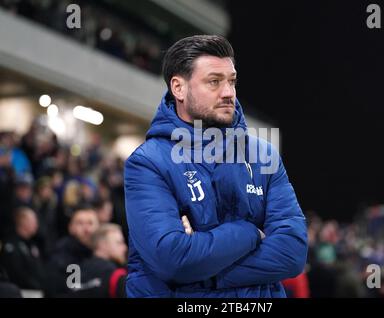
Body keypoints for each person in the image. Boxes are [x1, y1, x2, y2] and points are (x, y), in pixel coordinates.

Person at [124, 35, 308, 298]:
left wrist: (200, 272)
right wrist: (251, 233)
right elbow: (173, 260)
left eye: (232, 81)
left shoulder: (264, 155)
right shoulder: (148, 162)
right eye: (214, 82)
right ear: (179, 88)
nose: (228, 93)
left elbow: (292, 253)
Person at [46, 207, 99, 296]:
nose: (86, 229)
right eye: (80, 223)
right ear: (70, 227)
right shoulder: (60, 256)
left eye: (90, 223)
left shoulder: (104, 254)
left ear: (98, 227)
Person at [71, 223, 127, 298]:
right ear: (103, 245)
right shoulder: (116, 275)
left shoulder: (76, 273)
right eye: (119, 243)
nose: (124, 248)